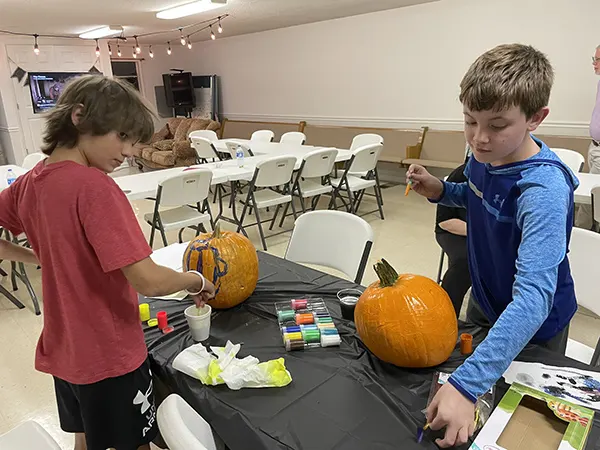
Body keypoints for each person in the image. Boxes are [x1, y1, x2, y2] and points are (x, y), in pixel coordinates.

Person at [0, 75, 216, 450]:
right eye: (122, 138)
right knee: (135, 443)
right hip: (109, 353)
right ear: (80, 117)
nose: (129, 152)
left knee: (86, 437)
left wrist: (40, 257)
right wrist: (193, 280)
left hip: (64, 349)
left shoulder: (29, 182)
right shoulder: (95, 187)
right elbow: (148, 281)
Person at [407, 44, 579, 448]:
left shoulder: (542, 190)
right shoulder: (483, 157)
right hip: (486, 299)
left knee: (519, 428)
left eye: (497, 125)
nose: (480, 139)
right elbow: (477, 196)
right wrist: (441, 190)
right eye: (470, 121)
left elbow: (534, 300)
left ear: (536, 118)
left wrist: (467, 386)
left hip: (536, 325)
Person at [435, 162, 470, 316]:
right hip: (453, 231)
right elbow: (445, 221)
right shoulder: (460, 175)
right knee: (466, 261)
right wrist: (481, 232)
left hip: (490, 234)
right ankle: (445, 316)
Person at [576, 44, 600, 229]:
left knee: (591, 197)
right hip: (594, 147)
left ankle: (580, 234)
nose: (595, 64)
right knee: (590, 198)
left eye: (597, 59)